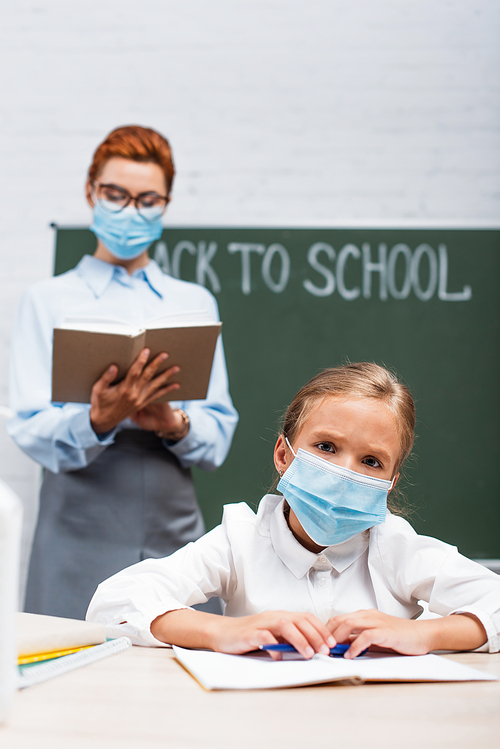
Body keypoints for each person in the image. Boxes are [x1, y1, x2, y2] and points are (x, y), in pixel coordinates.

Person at [86, 362, 500, 657]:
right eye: (326, 447)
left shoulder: (398, 548)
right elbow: (115, 602)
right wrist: (222, 630)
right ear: (283, 455)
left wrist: (425, 634)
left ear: (390, 483)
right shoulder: (240, 540)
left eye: (371, 461)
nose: (344, 472)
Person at [9, 125, 238, 620]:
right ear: (91, 191)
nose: (130, 210)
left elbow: (218, 438)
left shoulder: (193, 303)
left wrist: (174, 424)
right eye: (116, 194)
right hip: (74, 532)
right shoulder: (46, 301)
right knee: (63, 675)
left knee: (180, 673)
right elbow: (28, 425)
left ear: (165, 205)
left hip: (173, 534)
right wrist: (97, 420)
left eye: (147, 199)